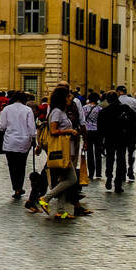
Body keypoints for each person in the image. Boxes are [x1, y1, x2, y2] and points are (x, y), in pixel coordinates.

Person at [40, 87, 81, 220]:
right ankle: (45, 198)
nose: (71, 99)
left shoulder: (60, 112)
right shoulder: (57, 112)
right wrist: (69, 131)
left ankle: (61, 211)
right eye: (68, 96)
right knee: (72, 179)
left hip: (65, 149)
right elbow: (53, 131)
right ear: (62, 98)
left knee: (64, 180)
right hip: (60, 151)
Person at [0, 90, 37, 201]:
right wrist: (33, 138)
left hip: (10, 141)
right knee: (21, 165)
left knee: (12, 166)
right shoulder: (27, 110)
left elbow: (2, 125)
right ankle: (19, 187)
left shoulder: (6, 109)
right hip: (24, 141)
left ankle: (16, 187)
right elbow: (31, 127)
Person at [99, 91, 135, 193]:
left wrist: (101, 142)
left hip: (109, 138)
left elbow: (100, 128)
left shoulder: (104, 111)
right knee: (121, 160)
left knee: (110, 159)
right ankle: (118, 183)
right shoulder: (125, 109)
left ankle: (109, 177)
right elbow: (132, 123)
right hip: (122, 138)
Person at [82, 92, 103, 181]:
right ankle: (98, 173)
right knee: (98, 152)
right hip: (97, 130)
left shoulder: (84, 108)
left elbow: (82, 120)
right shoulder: (100, 109)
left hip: (87, 131)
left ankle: (90, 173)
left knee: (89, 152)